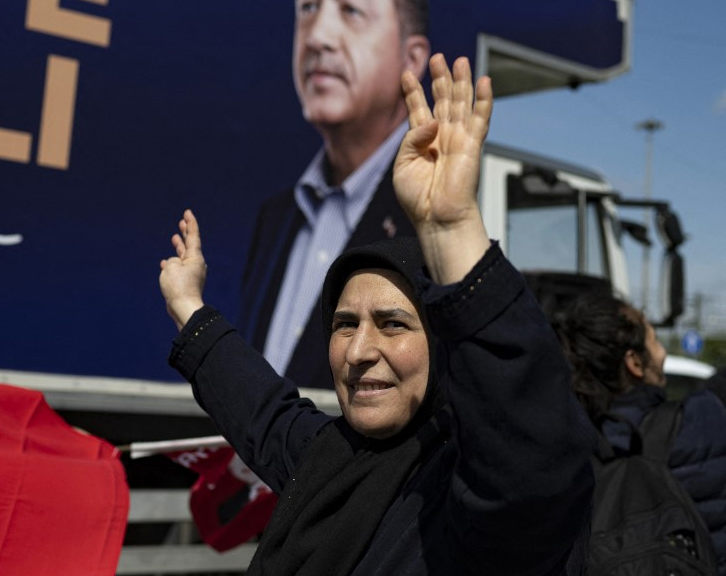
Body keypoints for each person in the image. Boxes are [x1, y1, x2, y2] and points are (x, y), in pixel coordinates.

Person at [160, 55, 592, 574]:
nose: (360, 352)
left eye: (393, 324)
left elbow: (528, 448)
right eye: (345, 324)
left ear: (445, 344)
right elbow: (261, 411)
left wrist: (452, 231)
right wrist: (189, 307)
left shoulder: (476, 499)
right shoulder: (329, 459)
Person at [238, 0, 431, 389]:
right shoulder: (276, 217)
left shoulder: (432, 222)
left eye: (351, 11)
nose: (318, 37)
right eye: (308, 9)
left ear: (411, 59)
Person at [554, 290, 726, 574]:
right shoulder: (701, 421)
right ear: (634, 362)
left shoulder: (565, 448)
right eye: (654, 340)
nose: (663, 352)